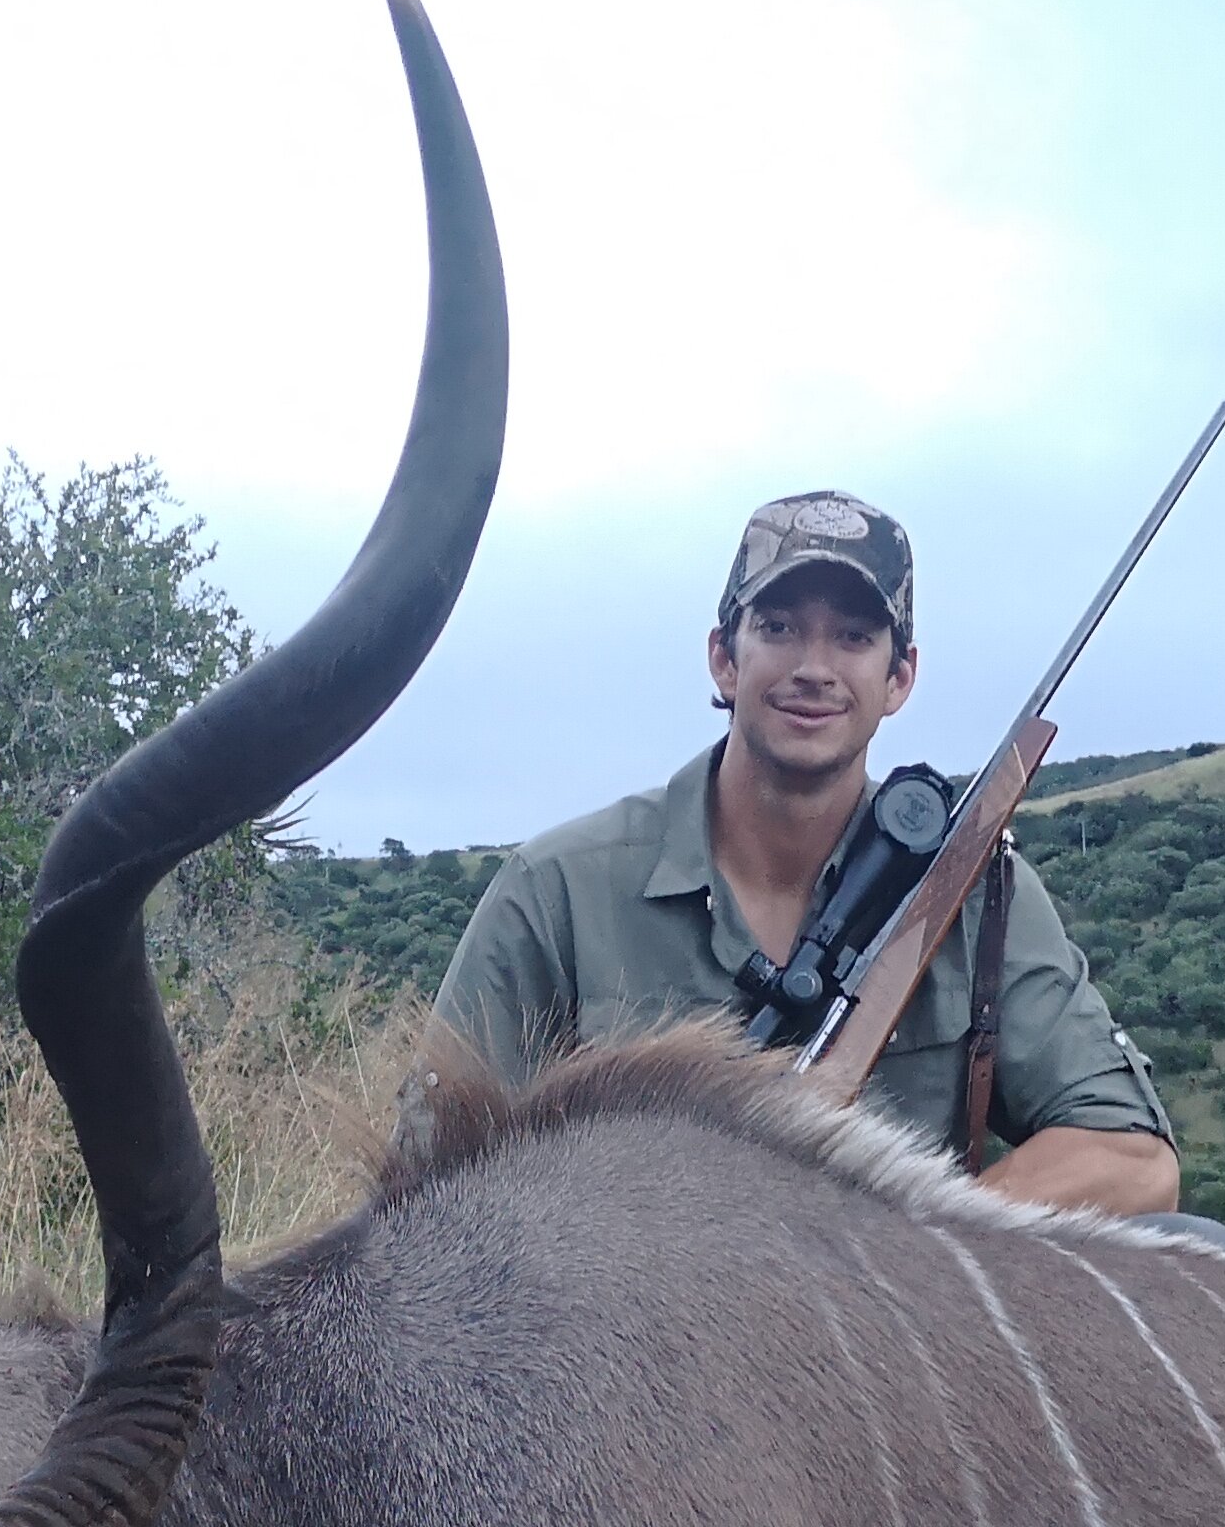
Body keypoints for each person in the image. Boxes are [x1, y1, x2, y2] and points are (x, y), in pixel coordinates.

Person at [423, 489, 1182, 1216]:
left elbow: (1132, 1158)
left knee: (1191, 1244)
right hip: (613, 1333)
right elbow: (425, 1180)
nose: (815, 667)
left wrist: (888, 1255)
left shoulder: (975, 889)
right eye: (779, 627)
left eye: (854, 637)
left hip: (885, 1330)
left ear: (900, 677)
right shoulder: (558, 889)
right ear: (725, 657)